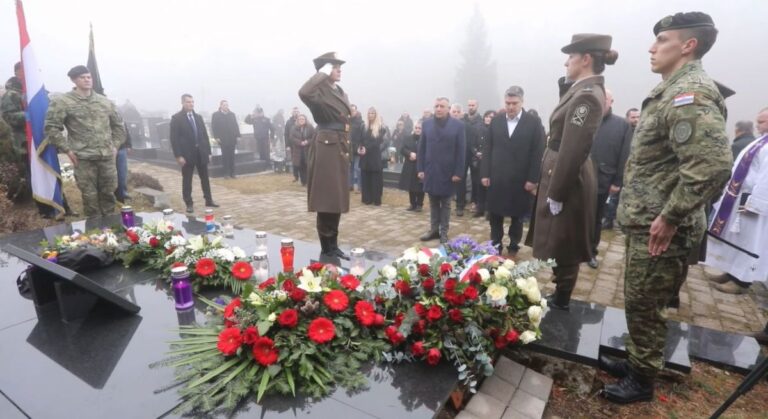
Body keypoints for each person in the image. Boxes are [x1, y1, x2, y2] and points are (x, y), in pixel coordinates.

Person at [601, 13, 732, 404]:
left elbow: (712, 166)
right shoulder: (673, 89)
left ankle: (642, 380)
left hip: (661, 226)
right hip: (648, 220)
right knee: (640, 300)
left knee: (647, 304)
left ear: (688, 45)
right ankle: (638, 361)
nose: (651, 47)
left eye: (662, 40)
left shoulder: (690, 93)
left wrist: (671, 216)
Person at [527, 34, 616, 311]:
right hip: (560, 169)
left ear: (585, 59)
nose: (566, 62)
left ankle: (562, 296)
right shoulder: (581, 91)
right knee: (558, 234)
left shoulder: (587, 97)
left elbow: (573, 147)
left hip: (566, 174)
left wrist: (557, 191)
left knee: (564, 237)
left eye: (571, 57)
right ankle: (560, 291)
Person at [45, 65, 126, 217]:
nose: (87, 80)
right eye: (82, 77)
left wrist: (115, 146)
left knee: (109, 193)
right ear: (74, 80)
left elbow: (119, 127)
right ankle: (94, 227)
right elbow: (51, 127)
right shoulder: (63, 101)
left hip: (106, 157)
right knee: (90, 197)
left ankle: (110, 226)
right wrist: (67, 150)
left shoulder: (104, 102)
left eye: (89, 77)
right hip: (83, 158)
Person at [705, 108, 768, 295]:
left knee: (749, 241)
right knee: (737, 237)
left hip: (753, 202)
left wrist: (756, 203)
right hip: (740, 196)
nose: (757, 125)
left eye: (762, 122)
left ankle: (742, 281)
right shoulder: (761, 141)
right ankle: (732, 272)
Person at [298, 52, 352, 260]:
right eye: (334, 67)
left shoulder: (339, 91)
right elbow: (303, 92)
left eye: (339, 67)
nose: (339, 70)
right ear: (325, 70)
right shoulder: (318, 91)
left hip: (340, 144)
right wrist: (321, 73)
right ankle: (326, 246)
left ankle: (334, 244)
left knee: (336, 198)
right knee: (326, 198)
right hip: (326, 146)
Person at [481, 86, 545, 257]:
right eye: (508, 103)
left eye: (514, 103)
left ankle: (514, 245)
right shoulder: (496, 121)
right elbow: (487, 148)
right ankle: (495, 244)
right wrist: (485, 173)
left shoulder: (533, 123)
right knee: (495, 214)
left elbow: (537, 152)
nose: (510, 107)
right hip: (497, 177)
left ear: (522, 102)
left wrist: (533, 179)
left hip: (520, 179)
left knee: (517, 215)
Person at [588, 89, 633, 268]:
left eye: (605, 99)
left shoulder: (622, 126)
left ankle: (591, 252)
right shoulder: (586, 119)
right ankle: (573, 249)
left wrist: (617, 182)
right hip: (580, 179)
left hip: (603, 180)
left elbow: (624, 156)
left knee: (596, 219)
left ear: (611, 102)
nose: (601, 101)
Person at [418, 97, 466, 243]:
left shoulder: (458, 126)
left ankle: (444, 232)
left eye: (442, 106)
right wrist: (420, 168)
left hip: (448, 172)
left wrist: (458, 172)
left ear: (448, 108)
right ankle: (434, 230)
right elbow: (421, 148)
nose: (438, 109)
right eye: (436, 106)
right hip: (431, 170)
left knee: (446, 204)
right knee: (433, 202)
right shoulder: (426, 124)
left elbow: (461, 151)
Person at [170, 93, 218, 214]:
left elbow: (204, 136)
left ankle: (209, 200)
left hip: (201, 153)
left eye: (192, 102)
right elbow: (174, 139)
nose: (191, 104)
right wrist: (178, 155)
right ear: (182, 103)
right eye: (188, 102)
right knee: (187, 180)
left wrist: (208, 152)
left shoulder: (198, 117)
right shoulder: (177, 118)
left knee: (205, 178)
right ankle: (189, 203)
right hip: (187, 155)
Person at [450, 103, 476, 217]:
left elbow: (469, 144)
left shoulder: (467, 127)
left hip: (462, 157)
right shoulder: (445, 125)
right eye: (454, 112)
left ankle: (460, 205)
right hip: (447, 158)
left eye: (458, 112)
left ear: (461, 114)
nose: (456, 114)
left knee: (460, 181)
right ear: (450, 112)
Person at [358, 107, 387, 206]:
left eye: (372, 113)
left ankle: (376, 199)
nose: (370, 115)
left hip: (374, 156)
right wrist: (360, 147)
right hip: (365, 156)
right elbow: (361, 139)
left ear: (376, 115)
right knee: (365, 177)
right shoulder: (363, 126)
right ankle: (367, 198)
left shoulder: (381, 128)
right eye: (369, 113)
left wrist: (366, 148)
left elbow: (377, 142)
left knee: (375, 179)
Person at [472, 110, 495, 217]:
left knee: (490, 186)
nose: (488, 118)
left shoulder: (496, 130)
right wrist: (476, 152)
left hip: (492, 162)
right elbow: (472, 144)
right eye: (487, 116)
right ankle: (480, 208)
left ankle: (489, 210)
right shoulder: (478, 129)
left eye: (491, 117)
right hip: (480, 161)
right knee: (479, 185)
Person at [211, 100, 241, 178]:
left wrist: (238, 135)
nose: (226, 106)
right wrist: (216, 137)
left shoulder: (232, 114)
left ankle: (232, 173)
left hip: (232, 138)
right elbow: (214, 127)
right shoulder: (216, 115)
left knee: (232, 156)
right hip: (223, 139)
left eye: (227, 105)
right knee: (225, 156)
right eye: (224, 105)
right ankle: (226, 173)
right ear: (221, 106)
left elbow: (235, 125)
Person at [399, 122, 424, 212]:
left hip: (420, 165)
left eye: (419, 128)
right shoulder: (408, 138)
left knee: (420, 185)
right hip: (410, 164)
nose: (417, 129)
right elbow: (402, 149)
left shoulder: (425, 139)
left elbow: (428, 151)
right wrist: (409, 153)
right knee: (411, 185)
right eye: (416, 128)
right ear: (413, 128)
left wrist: (417, 156)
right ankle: (412, 204)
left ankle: (419, 204)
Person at [288, 114, 314, 186]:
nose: (301, 120)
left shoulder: (310, 127)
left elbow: (314, 136)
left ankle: (309, 181)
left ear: (305, 120)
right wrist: (300, 142)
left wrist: (307, 142)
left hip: (307, 150)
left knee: (307, 165)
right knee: (300, 165)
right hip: (298, 150)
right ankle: (303, 181)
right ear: (298, 120)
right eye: (300, 119)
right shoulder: (294, 128)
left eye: (303, 119)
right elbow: (292, 138)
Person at [115, 121, 132, 203]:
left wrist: (128, 145)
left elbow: (124, 129)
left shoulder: (118, 116)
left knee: (122, 174)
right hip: (107, 150)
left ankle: (122, 195)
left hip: (121, 148)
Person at [348, 104, 364, 192]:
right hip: (349, 148)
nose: (352, 112)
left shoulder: (360, 122)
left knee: (357, 168)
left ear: (356, 111)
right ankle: (350, 185)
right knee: (350, 168)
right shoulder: (348, 122)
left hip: (358, 148)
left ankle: (360, 186)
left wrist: (360, 146)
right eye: (350, 110)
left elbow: (363, 136)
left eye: (353, 110)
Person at [284, 107, 300, 180]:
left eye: (297, 111)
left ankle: (303, 175)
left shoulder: (302, 120)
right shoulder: (288, 122)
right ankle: (296, 175)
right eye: (294, 112)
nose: (295, 113)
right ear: (292, 113)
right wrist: (287, 145)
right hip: (292, 145)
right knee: (294, 160)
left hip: (301, 144)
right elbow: (286, 134)